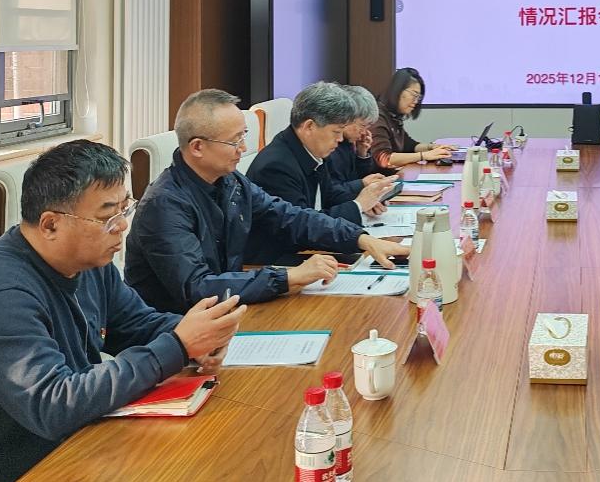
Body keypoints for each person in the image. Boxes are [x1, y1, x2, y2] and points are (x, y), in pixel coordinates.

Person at [0, 139, 246, 482]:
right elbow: (54, 404)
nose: (122, 226)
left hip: (68, 446)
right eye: (107, 216)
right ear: (50, 225)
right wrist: (178, 345)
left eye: (124, 209)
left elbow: (136, 324)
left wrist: (198, 336)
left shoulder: (89, 263)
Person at [125, 89, 408, 314]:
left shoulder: (231, 181)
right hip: (175, 329)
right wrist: (288, 278)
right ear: (197, 146)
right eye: (234, 141)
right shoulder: (164, 205)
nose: (243, 148)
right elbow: (197, 286)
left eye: (243, 136)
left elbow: (289, 216)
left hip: (228, 308)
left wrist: (360, 238)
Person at [246, 81, 398, 223]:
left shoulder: (311, 151)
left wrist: (366, 200)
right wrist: (357, 205)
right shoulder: (276, 167)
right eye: (336, 132)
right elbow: (302, 226)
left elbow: (330, 196)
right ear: (309, 127)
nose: (340, 139)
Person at [369, 67, 453, 170]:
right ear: (397, 90)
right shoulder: (377, 116)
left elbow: (410, 146)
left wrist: (432, 147)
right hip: (379, 178)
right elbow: (385, 158)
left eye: (418, 97)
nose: (416, 101)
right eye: (414, 94)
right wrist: (424, 155)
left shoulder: (393, 116)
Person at [325, 85, 396, 203]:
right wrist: (362, 183)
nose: (364, 132)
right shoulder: (329, 145)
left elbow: (355, 176)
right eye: (363, 125)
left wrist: (362, 154)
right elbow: (330, 193)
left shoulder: (348, 143)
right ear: (346, 117)